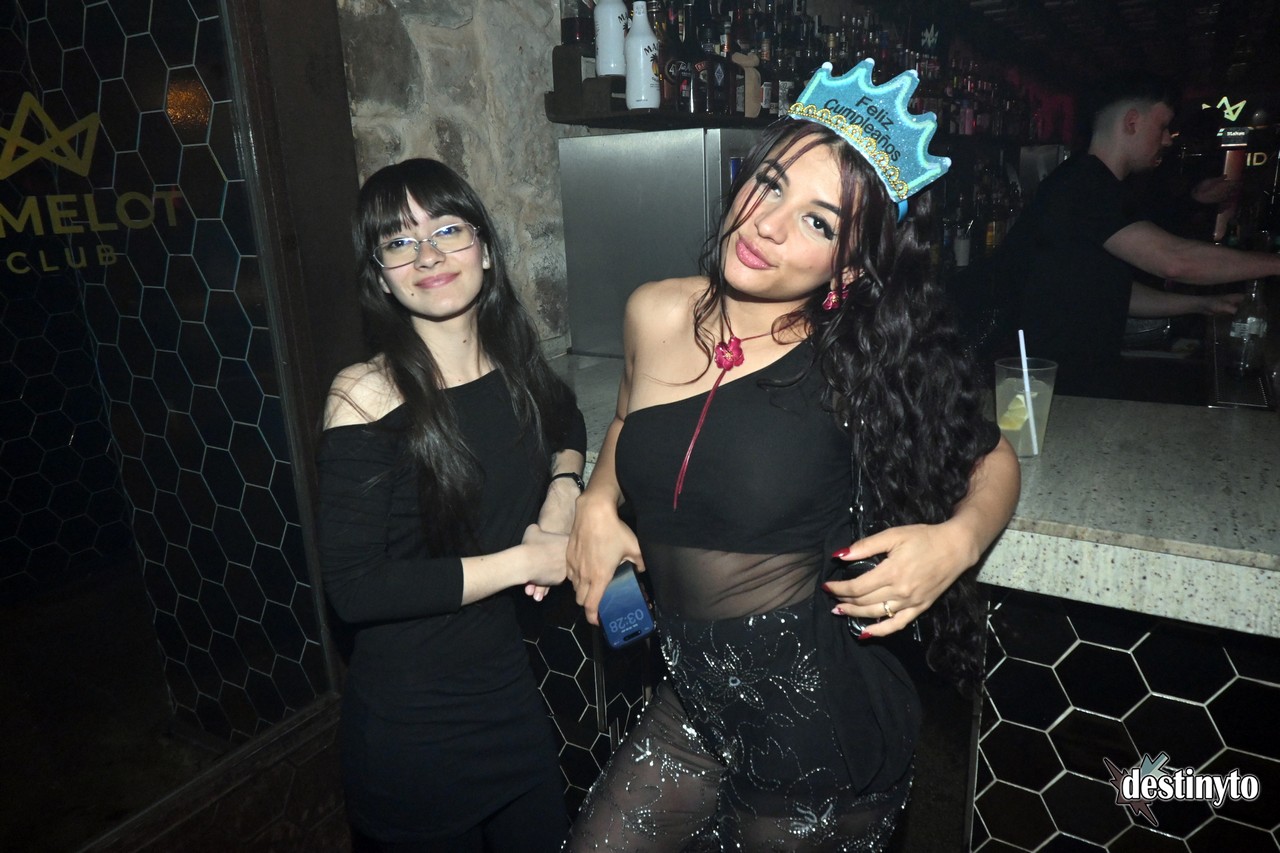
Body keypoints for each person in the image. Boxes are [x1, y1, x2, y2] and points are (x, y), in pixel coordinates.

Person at [564, 60, 1021, 850]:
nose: (768, 225)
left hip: (819, 734)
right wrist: (597, 501)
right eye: (770, 185)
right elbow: (626, 421)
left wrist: (956, 543)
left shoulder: (858, 366)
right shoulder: (653, 310)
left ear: (849, 266)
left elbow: (993, 457)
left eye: (818, 222)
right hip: (694, 703)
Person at [315, 158, 585, 852]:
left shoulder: (513, 364)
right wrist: (525, 560)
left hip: (510, 700)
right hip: (415, 731)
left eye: (447, 230)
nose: (427, 255)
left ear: (485, 250)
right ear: (381, 276)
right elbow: (355, 588)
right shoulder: (365, 394)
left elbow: (566, 421)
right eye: (399, 241)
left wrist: (561, 497)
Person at [980, 75, 1280, 398]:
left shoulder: (1093, 183)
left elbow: (1113, 290)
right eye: (1163, 126)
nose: (1167, 139)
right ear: (1132, 122)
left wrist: (1200, 304)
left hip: (1073, 381)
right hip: (1049, 387)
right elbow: (1175, 260)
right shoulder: (1085, 185)